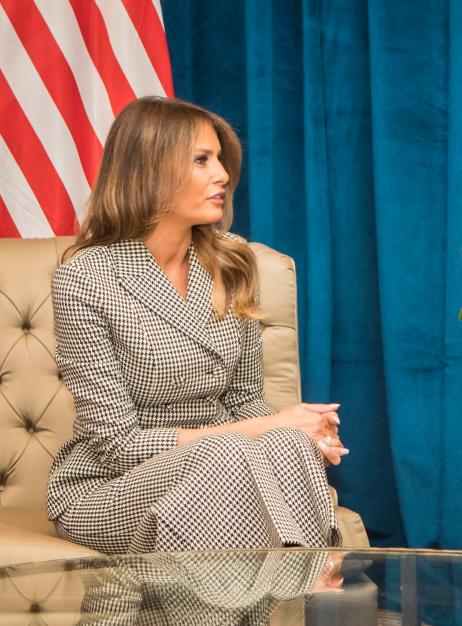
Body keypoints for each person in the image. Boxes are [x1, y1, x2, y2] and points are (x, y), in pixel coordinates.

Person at [47, 96, 348, 554]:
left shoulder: (231, 259)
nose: (223, 175)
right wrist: (260, 431)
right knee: (234, 451)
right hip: (113, 487)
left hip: (230, 471)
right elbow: (119, 447)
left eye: (220, 160)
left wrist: (305, 429)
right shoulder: (86, 278)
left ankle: (299, 594)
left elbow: (244, 399)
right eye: (202, 160)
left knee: (279, 445)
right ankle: (302, 586)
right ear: (150, 170)